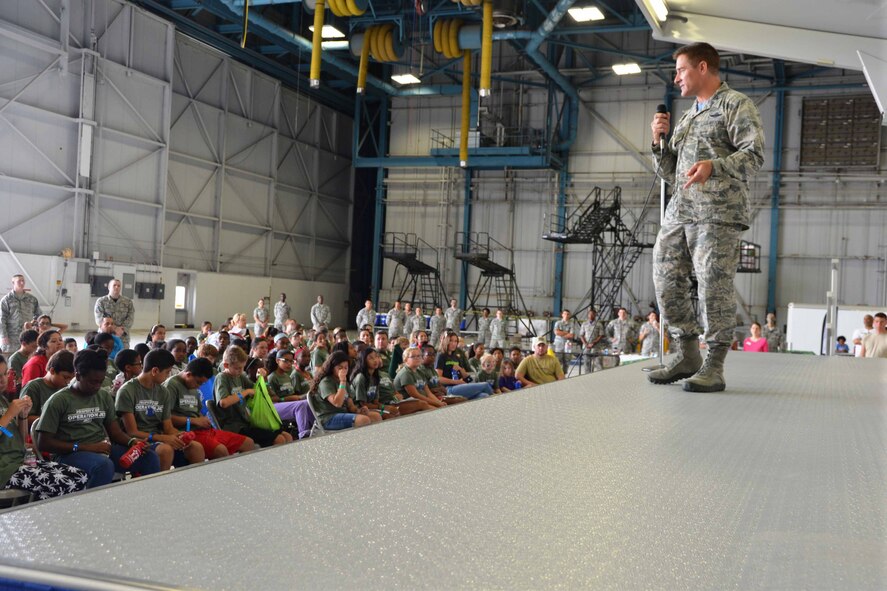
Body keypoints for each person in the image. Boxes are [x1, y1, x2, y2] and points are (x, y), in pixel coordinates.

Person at [646, 42, 765, 392]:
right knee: (666, 281)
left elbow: (754, 156)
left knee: (713, 286)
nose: (676, 78)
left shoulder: (735, 105)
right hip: (680, 212)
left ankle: (714, 364)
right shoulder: (688, 116)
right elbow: (672, 173)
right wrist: (658, 142)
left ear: (702, 67)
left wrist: (715, 166)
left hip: (717, 213)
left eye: (681, 70)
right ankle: (687, 354)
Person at [36, 349, 164, 487]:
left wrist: (132, 441)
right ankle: (93, 501)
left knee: (150, 457)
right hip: (68, 454)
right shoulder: (58, 400)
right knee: (103, 466)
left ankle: (147, 496)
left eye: (100, 382)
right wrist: (86, 447)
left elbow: (115, 433)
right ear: (78, 376)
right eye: (92, 382)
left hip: (100, 448)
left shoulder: (103, 396)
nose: (97, 386)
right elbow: (44, 443)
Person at [0, 355, 87, 499]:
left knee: (80, 476)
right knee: (67, 483)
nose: (3, 379)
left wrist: (22, 416)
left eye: (4, 374)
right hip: (5, 470)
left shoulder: (2, 400)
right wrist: (9, 414)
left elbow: (13, 436)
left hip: (18, 461)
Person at [117, 349, 205, 470]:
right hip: (138, 442)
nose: (168, 376)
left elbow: (168, 428)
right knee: (165, 450)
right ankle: (161, 482)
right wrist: (162, 438)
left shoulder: (163, 392)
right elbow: (132, 432)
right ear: (155, 371)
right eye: (167, 372)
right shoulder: (127, 391)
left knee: (195, 447)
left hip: (158, 438)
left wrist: (179, 435)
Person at [165, 358, 255, 458]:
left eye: (202, 384)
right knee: (221, 450)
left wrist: (203, 419)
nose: (199, 386)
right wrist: (193, 420)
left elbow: (197, 412)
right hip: (185, 432)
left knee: (248, 443)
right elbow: (165, 418)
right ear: (188, 375)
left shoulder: (193, 386)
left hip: (203, 430)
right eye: (198, 382)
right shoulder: (172, 385)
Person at [214, 345, 293, 447]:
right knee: (279, 439)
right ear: (226, 365)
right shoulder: (222, 378)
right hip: (233, 426)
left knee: (287, 436)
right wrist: (246, 392)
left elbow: (257, 390)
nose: (241, 371)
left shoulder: (240, 376)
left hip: (247, 422)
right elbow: (223, 402)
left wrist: (261, 378)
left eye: (242, 367)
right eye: (237, 368)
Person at [309, 351, 382, 431]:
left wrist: (359, 410)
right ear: (332, 368)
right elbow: (337, 403)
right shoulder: (326, 382)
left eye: (346, 368)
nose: (343, 370)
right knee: (363, 420)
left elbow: (351, 406)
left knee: (376, 416)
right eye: (340, 368)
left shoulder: (345, 382)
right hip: (328, 417)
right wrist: (342, 381)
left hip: (344, 413)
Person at [264, 349, 315, 438]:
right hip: (276, 406)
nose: (289, 364)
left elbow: (292, 394)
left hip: (290, 403)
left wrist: (296, 398)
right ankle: (304, 434)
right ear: (277, 361)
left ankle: (316, 427)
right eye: (286, 361)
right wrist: (286, 399)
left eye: (291, 361)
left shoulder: (287, 376)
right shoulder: (272, 377)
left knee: (308, 402)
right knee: (301, 405)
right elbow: (271, 399)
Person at [21, 350, 74, 427]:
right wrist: (55, 420)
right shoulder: (33, 387)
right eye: (65, 377)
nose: (68, 382)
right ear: (52, 371)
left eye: (71, 378)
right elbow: (24, 419)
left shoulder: (67, 388)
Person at [434, 332, 492, 400]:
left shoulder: (456, 357)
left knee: (484, 395)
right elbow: (439, 378)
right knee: (485, 385)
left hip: (460, 385)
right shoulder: (441, 356)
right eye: (451, 341)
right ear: (446, 341)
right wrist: (456, 382)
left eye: (455, 341)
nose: (453, 343)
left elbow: (467, 378)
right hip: (448, 388)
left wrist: (460, 369)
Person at [0, 274, 42, 354]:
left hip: (28, 336)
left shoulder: (32, 299)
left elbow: (39, 316)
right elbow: (2, 319)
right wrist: (3, 335)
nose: (22, 283)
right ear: (13, 282)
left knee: (28, 356)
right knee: (9, 357)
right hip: (11, 336)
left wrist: (35, 328)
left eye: (23, 281)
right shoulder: (6, 300)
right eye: (19, 281)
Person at [93, 278, 135, 348]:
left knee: (123, 354)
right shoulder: (101, 301)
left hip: (122, 337)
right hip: (105, 337)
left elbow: (130, 318)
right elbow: (99, 319)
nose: (117, 287)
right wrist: (114, 329)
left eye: (119, 286)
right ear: (109, 287)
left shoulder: (128, 302)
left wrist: (122, 329)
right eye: (114, 285)